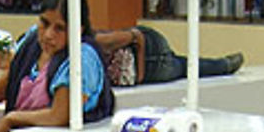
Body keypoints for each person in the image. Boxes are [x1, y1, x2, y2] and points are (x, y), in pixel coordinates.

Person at [0, 0, 115, 132]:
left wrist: (12, 118)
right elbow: (11, 78)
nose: (48, 35)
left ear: (77, 29)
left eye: (59, 28)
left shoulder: (82, 58)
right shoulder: (33, 40)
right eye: (44, 23)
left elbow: (59, 115)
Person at [94, 25, 244, 87]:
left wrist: (140, 75)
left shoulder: (96, 42)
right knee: (185, 65)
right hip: (149, 61)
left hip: (151, 59)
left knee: (185, 66)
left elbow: (136, 36)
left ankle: (224, 65)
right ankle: (224, 64)